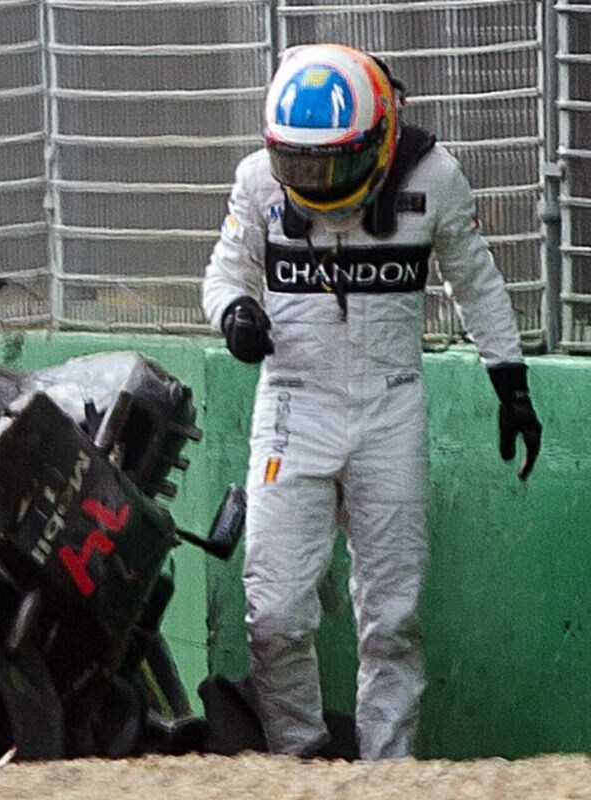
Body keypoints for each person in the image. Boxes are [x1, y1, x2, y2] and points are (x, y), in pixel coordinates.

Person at [201, 43, 542, 760]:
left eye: (333, 164)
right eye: (300, 165)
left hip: (390, 408)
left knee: (391, 620)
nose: (316, 181)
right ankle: (300, 760)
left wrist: (509, 381)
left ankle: (388, 775)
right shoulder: (256, 183)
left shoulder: (434, 178)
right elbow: (224, 272)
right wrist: (234, 313)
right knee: (274, 613)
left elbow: (476, 282)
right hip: (294, 406)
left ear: (380, 138)